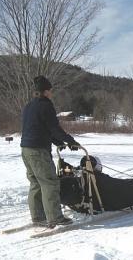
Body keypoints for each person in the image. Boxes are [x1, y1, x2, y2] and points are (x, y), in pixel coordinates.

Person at [21, 75, 80, 228]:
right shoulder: (46, 106)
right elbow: (54, 128)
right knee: (50, 183)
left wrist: (58, 142)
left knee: (35, 183)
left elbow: (40, 128)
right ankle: (55, 218)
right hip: (38, 151)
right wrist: (70, 141)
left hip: (26, 149)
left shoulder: (29, 106)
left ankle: (38, 216)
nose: (51, 93)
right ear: (46, 91)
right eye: (50, 90)